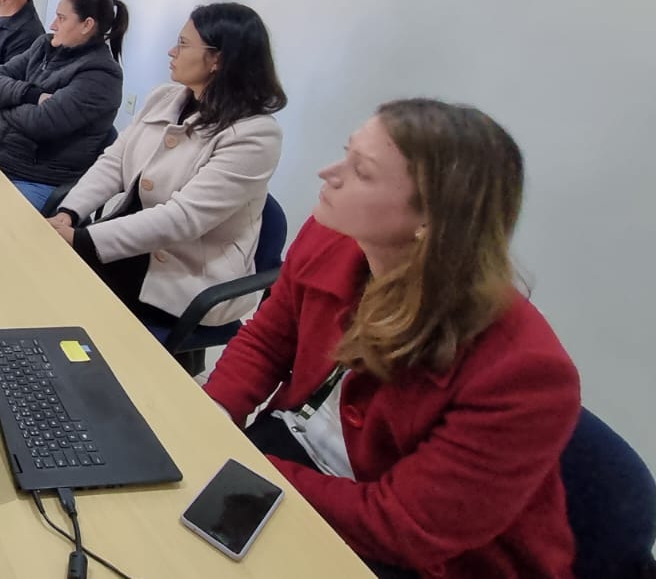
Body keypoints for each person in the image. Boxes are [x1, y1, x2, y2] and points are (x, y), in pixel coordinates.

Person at [203, 100, 579, 579]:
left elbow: (403, 527)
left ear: (432, 221)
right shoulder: (331, 235)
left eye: (361, 171)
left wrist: (242, 463)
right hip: (294, 459)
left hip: (407, 552)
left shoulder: (525, 372)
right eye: (346, 153)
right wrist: (212, 417)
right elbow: (267, 340)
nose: (328, 173)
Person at [47, 4, 285, 325]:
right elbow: (114, 163)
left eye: (184, 44)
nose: (172, 51)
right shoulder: (164, 98)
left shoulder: (255, 135)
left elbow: (182, 219)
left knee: (64, 306)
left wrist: (82, 240)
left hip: (181, 278)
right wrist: (69, 213)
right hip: (128, 248)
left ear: (218, 59)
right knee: (43, 278)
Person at [0, 0, 126, 210]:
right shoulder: (44, 46)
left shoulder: (101, 75)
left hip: (37, 179)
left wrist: (5, 105)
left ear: (87, 25)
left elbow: (41, 123)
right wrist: (31, 95)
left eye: (61, 18)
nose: (52, 25)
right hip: (0, 159)